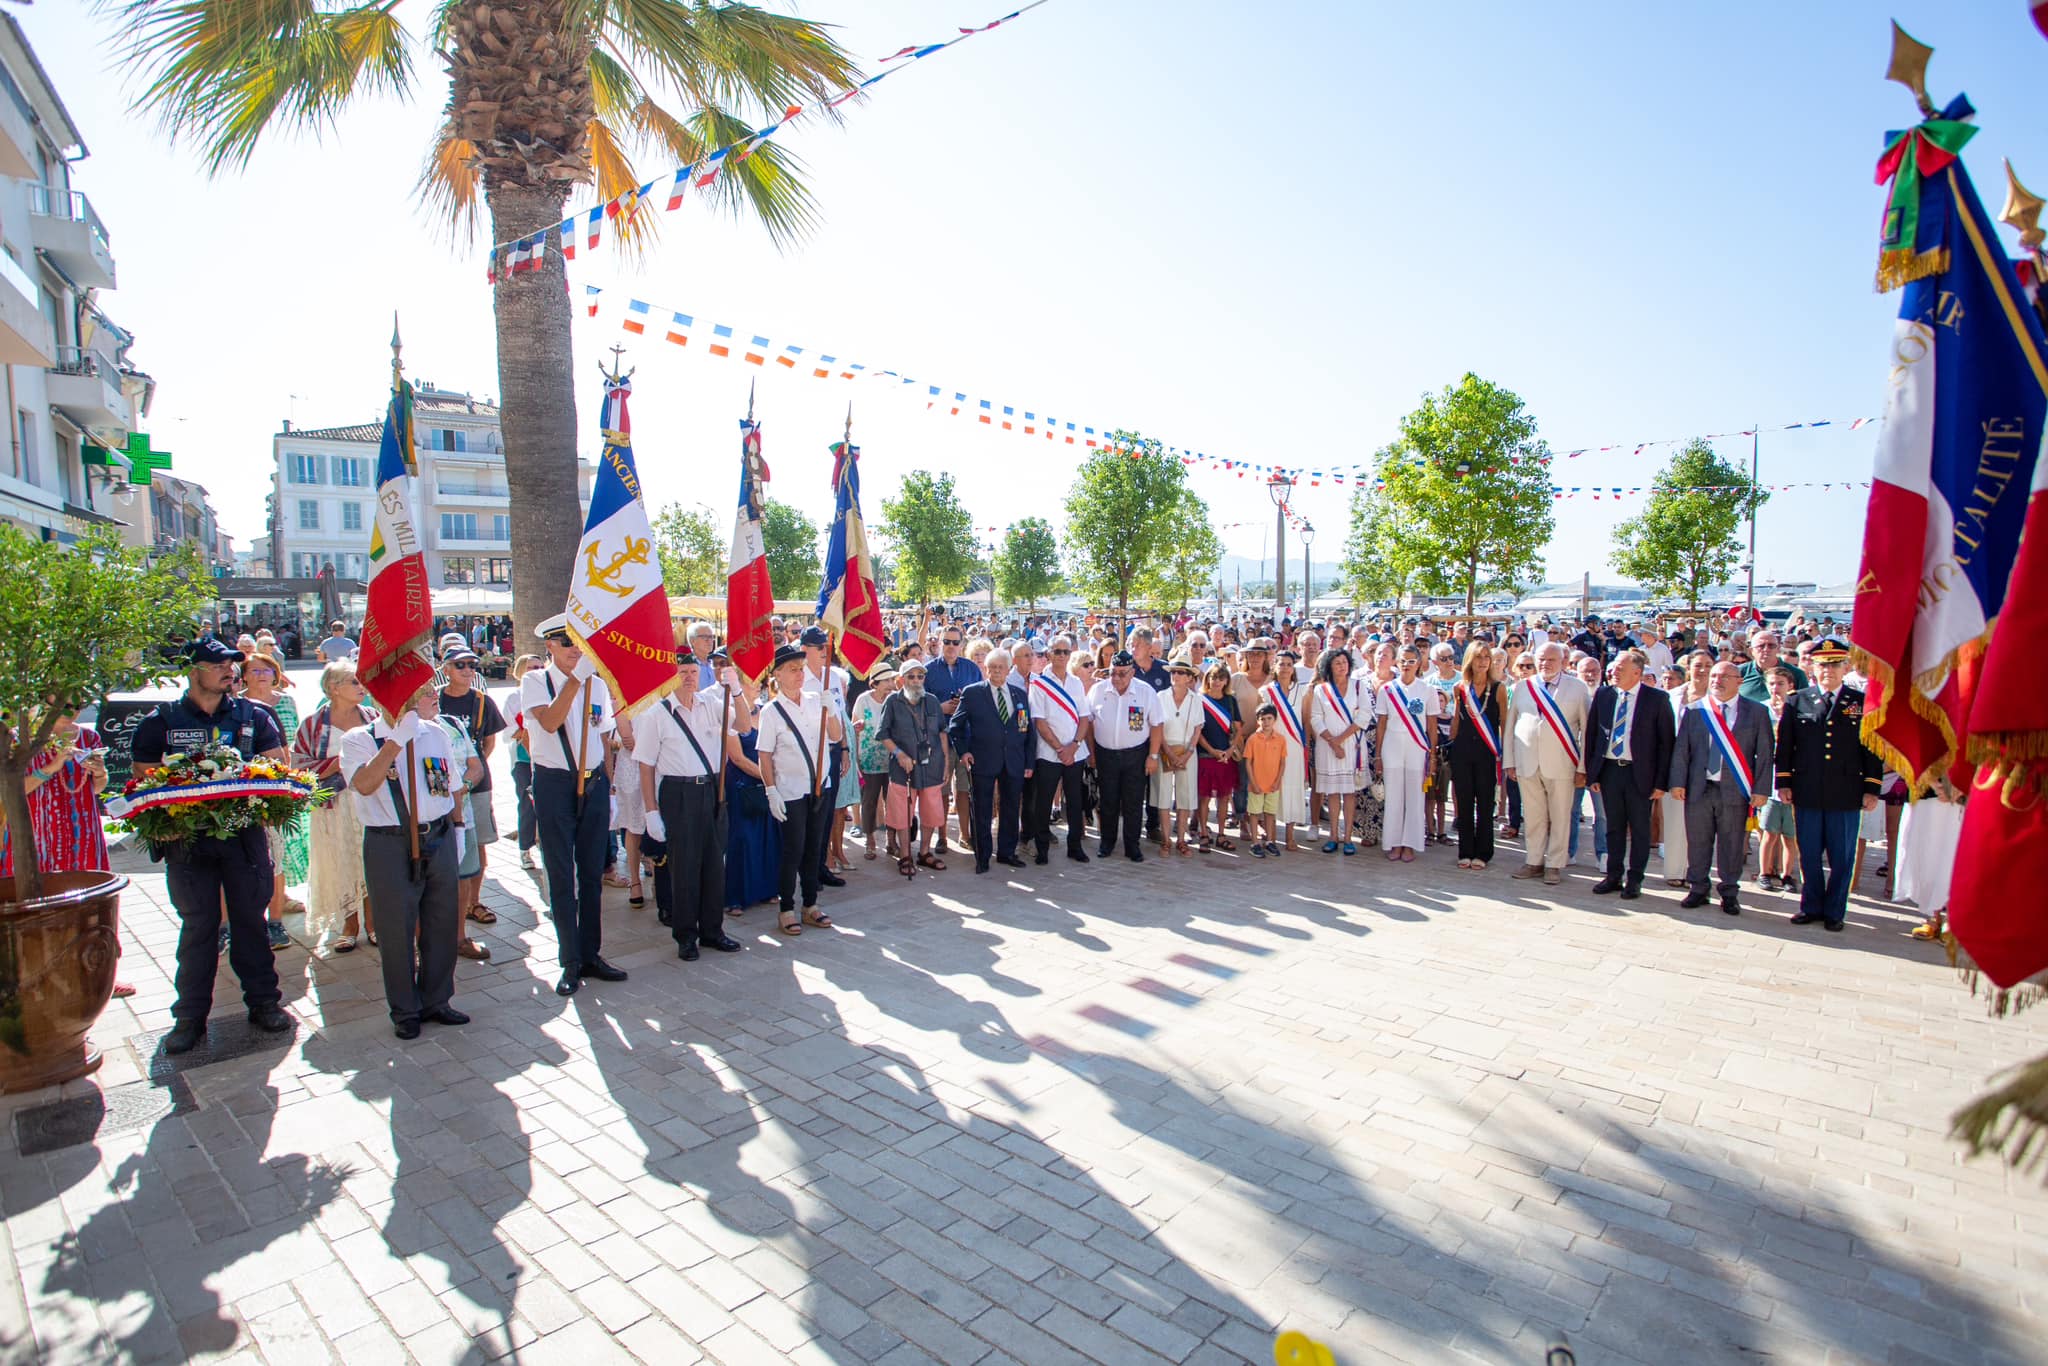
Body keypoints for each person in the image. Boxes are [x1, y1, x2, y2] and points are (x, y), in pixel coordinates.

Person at [129, 637, 291, 1055]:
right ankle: (189, 1017)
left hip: (243, 840)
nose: (229, 671)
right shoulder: (160, 720)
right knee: (199, 926)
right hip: (188, 844)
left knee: (250, 923)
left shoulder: (253, 715)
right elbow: (144, 782)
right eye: (218, 664)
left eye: (232, 665)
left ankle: (264, 1003)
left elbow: (279, 765)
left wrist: (252, 775)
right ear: (193, 670)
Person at [340, 679, 467, 1039]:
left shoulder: (435, 733)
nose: (433, 696)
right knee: (396, 929)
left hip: (438, 835)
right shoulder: (358, 739)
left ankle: (437, 999)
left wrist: (457, 827)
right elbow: (364, 783)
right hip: (389, 842)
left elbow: (449, 783)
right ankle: (405, 1009)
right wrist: (396, 741)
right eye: (424, 691)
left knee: (441, 923)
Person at [520, 614, 626, 997]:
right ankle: (569, 960)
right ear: (549, 646)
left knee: (592, 872)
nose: (574, 651)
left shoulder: (596, 686)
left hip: (593, 781)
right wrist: (575, 681)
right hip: (554, 784)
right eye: (566, 644)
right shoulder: (535, 681)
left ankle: (591, 953)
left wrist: (610, 789)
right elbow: (549, 722)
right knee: (562, 874)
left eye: (579, 644)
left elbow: (603, 739)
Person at [637, 649, 746, 961]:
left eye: (693, 673)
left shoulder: (711, 704)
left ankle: (713, 930)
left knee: (714, 864)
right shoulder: (656, 714)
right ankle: (686, 935)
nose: (688, 678)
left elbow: (742, 723)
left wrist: (736, 690)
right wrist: (650, 811)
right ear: (670, 676)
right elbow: (646, 765)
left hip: (711, 788)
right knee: (684, 868)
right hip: (678, 792)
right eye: (682, 673)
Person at [1775, 639, 1882, 931]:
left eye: (1835, 665)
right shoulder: (1798, 701)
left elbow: (1871, 749)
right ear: (1813, 667)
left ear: (1845, 667)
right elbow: (1786, 747)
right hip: (1807, 791)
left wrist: (1872, 788)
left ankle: (1835, 911)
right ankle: (1810, 906)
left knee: (1842, 857)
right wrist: (1783, 782)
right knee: (1809, 854)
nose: (1828, 671)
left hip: (1846, 794)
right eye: (1823, 665)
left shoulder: (1860, 703)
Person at [1668, 660, 1773, 914]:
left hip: (1735, 789)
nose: (1717, 680)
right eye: (1714, 675)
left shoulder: (1756, 712)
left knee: (1731, 843)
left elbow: (1765, 753)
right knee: (1698, 841)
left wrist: (1761, 789)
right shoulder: (1695, 710)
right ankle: (1698, 889)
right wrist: (1677, 782)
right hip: (1699, 788)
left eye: (1725, 676)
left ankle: (1728, 892)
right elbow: (1682, 750)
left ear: (1739, 681)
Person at [757, 644, 844, 933]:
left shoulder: (815, 699)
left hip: (819, 786)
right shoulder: (771, 711)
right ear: (778, 675)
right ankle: (785, 908)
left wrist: (831, 710)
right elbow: (765, 755)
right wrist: (771, 790)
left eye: (801, 668)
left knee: (813, 849)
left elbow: (835, 736)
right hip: (791, 790)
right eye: (792, 669)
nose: (798, 674)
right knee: (792, 850)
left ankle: (810, 904)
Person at [1585, 649, 1676, 900]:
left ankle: (1635, 879)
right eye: (1613, 668)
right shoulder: (1604, 695)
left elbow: (1666, 744)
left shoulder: (1657, 699)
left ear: (1637, 672)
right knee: (1613, 827)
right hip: (1610, 770)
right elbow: (1593, 736)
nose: (1613, 672)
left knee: (1639, 829)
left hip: (1640, 773)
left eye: (1620, 669)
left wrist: (1661, 782)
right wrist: (1593, 774)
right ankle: (1613, 875)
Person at [1506, 641, 1591, 886]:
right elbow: (1511, 726)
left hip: (1562, 764)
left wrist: (1582, 767)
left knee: (1561, 815)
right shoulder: (1523, 687)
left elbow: (1586, 730)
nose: (1545, 664)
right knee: (1533, 816)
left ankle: (1554, 864)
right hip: (1527, 762)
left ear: (1563, 661)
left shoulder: (1577, 688)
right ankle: (1533, 860)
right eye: (1541, 659)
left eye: (1551, 659)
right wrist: (1510, 761)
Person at [239, 651, 306, 950]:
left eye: (267, 670)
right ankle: (240, 922)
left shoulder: (287, 703)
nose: (262, 675)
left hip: (278, 784)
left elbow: (290, 747)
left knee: (277, 856)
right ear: (243, 676)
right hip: (240, 789)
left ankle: (275, 920)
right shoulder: (236, 705)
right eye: (255, 670)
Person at [948, 647, 1034, 873]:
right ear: (986, 669)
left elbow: (1026, 728)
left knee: (1010, 808)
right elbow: (955, 727)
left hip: (1013, 761)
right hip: (983, 760)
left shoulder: (1019, 694)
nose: (996, 671)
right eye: (992, 667)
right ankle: (983, 856)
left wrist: (1028, 762)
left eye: (1000, 668)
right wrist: (964, 751)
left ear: (1008, 670)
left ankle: (1007, 852)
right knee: (983, 809)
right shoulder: (973, 692)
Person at [439, 646, 506, 937]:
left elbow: (489, 743)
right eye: (460, 665)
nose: (467, 671)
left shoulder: (482, 702)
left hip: (475, 784)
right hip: (439, 787)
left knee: (477, 842)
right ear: (446, 669)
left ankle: (474, 902)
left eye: (472, 665)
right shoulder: (436, 700)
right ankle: (448, 904)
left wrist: (472, 771)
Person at [1086, 650, 1163, 862]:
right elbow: (1089, 723)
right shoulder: (1097, 690)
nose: (1117, 678)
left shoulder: (1146, 692)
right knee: (1108, 800)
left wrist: (1153, 756)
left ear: (1133, 672)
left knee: (1133, 801)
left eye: (1122, 673)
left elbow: (1157, 725)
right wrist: (1092, 752)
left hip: (1135, 755)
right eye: (1113, 673)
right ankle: (1107, 842)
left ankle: (1132, 845)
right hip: (1106, 754)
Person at [878, 657, 949, 874]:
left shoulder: (933, 700)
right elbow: (883, 734)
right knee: (902, 812)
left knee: (932, 811)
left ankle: (925, 852)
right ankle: (905, 854)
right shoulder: (892, 702)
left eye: (920, 676)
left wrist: (946, 762)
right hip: (903, 768)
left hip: (932, 766)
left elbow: (942, 732)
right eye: (911, 676)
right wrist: (899, 753)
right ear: (901, 680)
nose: (916, 680)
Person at [1027, 635, 1093, 865]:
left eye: (1066, 652)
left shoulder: (1075, 682)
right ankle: (1042, 848)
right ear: (1048, 654)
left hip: (1075, 752)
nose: (1062, 656)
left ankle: (1075, 846)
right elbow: (1040, 721)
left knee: (1075, 802)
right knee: (1043, 803)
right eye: (1057, 652)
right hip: (1048, 753)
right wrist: (1059, 748)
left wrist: (1073, 745)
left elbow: (1084, 717)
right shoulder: (1039, 683)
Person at [1371, 644, 1439, 863]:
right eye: (1403, 661)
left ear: (1419, 663)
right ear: (1396, 663)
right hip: (1391, 745)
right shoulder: (1387, 689)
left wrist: (1433, 755)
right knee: (1394, 798)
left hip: (1417, 748)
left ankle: (1410, 843)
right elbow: (1381, 723)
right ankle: (1394, 842)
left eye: (1411, 661)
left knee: (1415, 797)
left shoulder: (1427, 689)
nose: (1407, 665)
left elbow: (1431, 724)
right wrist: (1378, 755)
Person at [1448, 643, 1508, 871]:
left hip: (1487, 752)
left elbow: (1504, 722)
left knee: (1484, 802)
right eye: (1478, 657)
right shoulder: (1460, 688)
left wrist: (1505, 754)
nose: (1483, 661)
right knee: (1463, 802)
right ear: (1469, 660)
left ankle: (1483, 851)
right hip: (1462, 751)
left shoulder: (1499, 688)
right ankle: (1465, 850)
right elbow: (1456, 719)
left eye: (1487, 657)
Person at [922, 623, 981, 855]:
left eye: (955, 642)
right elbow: (921, 704)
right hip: (939, 739)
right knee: (941, 790)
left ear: (962, 644)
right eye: (946, 641)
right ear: (939, 642)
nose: (950, 646)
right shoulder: (928, 670)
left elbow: (979, 699)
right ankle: (942, 836)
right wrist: (941, 708)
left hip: (965, 738)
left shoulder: (971, 669)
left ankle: (965, 835)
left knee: (964, 790)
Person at [1659, 650, 1714, 890]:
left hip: (1708, 768)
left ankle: (1698, 872)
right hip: (1674, 766)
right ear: (1688, 667)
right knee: (1674, 820)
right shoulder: (1670, 697)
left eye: (1708, 665)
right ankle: (1674, 870)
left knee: (1701, 824)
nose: (1702, 670)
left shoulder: (1718, 698)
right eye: (1698, 665)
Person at [1308, 647, 1369, 856]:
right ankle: (1333, 836)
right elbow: (1315, 718)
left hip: (1351, 746)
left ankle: (1348, 837)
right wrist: (1332, 742)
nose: (1341, 666)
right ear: (1329, 667)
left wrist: (1341, 740)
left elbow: (1364, 717)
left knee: (1349, 793)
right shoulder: (1320, 690)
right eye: (1337, 663)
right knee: (1332, 793)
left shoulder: (1359, 687)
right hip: (1327, 747)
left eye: (1344, 662)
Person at [1756, 665, 1801, 893]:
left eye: (1781, 684)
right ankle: (1765, 872)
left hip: (1792, 780)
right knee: (1769, 831)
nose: (1776, 688)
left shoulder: (1798, 710)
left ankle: (1787, 874)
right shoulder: (1761, 710)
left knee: (1790, 835)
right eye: (1772, 683)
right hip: (1769, 779)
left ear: (1790, 686)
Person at [1152, 656, 1202, 855]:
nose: (1176, 675)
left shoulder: (1195, 699)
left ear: (1189, 677)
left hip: (1188, 751)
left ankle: (1181, 839)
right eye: (1173, 672)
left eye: (1181, 672)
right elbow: (1157, 726)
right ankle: (1166, 840)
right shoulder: (1160, 696)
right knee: (1163, 795)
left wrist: (1188, 753)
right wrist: (1168, 752)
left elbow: (1198, 728)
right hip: (1165, 749)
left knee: (1185, 796)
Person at [1263, 649, 1311, 851]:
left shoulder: (1303, 691)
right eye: (1281, 664)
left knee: (1292, 789)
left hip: (1295, 747)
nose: (1284, 668)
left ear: (1294, 668)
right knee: (1272, 789)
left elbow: (1306, 720)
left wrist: (1306, 744)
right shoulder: (1266, 692)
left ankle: (1291, 836)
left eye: (1288, 664)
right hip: (1272, 746)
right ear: (1275, 666)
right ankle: (1271, 836)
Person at [851, 665, 898, 862]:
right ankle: (869, 839)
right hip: (868, 758)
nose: (891, 684)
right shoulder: (863, 700)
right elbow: (854, 728)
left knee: (893, 801)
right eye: (886, 681)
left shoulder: (895, 699)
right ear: (875, 683)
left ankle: (891, 839)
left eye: (891, 680)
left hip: (891, 758)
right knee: (869, 801)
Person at [1194, 662, 1242, 852]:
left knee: (1224, 796)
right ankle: (1204, 833)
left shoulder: (1230, 701)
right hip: (1206, 754)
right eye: (1213, 677)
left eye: (1221, 678)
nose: (1216, 681)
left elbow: (1238, 729)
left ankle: (1222, 834)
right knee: (1204, 797)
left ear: (1226, 681)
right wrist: (1212, 750)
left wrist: (1230, 750)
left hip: (1225, 756)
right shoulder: (1200, 700)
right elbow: (1197, 730)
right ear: (1207, 679)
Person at [506, 655, 543, 872]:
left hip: (546, 760)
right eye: (530, 667)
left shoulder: (549, 692)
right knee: (527, 804)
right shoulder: (514, 697)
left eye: (539, 667)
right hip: (523, 759)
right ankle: (525, 849)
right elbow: (509, 729)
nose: (535, 670)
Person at [1423, 643, 1460, 846]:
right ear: (1435, 662)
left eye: (1451, 657)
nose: (1449, 661)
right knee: (1430, 794)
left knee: (1447, 790)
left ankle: (1450, 824)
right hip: (1431, 753)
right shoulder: (1428, 683)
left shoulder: (1462, 679)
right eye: (1444, 658)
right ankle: (1430, 828)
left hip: (1452, 748)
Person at [1243, 704, 1288, 857]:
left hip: (1273, 784)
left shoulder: (1280, 739)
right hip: (1256, 784)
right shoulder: (1253, 739)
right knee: (1254, 813)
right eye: (1263, 719)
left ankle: (1270, 840)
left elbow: (1282, 762)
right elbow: (1248, 762)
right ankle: (1255, 842)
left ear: (1275, 719)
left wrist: (1277, 781)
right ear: (1258, 721)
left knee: (1270, 813)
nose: (1266, 722)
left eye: (1269, 718)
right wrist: (1253, 783)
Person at [1739, 630, 1806, 705]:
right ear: (1751, 650)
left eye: (1771, 646)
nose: (1766, 649)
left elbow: (1804, 704)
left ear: (1778, 649)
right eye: (1761, 646)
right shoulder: (1739, 672)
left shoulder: (1796, 674)